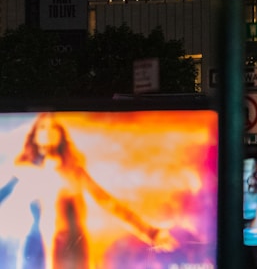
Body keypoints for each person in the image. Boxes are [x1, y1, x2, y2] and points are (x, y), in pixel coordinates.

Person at [4, 112, 178, 268]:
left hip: (71, 250)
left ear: (61, 135)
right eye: (43, 126)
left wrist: (149, 232)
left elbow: (108, 203)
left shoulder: (74, 172)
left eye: (54, 127)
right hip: (36, 251)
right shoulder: (22, 170)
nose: (48, 131)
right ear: (34, 135)